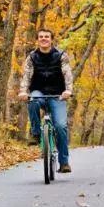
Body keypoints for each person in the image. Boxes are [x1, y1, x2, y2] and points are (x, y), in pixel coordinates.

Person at [18, 29, 74, 173]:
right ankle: (36, 133)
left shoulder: (61, 55)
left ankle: (64, 163)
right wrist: (23, 91)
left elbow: (67, 74)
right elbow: (26, 76)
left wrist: (68, 90)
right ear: (37, 39)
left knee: (61, 127)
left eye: (47, 37)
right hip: (39, 92)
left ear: (51, 39)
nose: (44, 39)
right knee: (33, 100)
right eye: (41, 37)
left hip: (58, 95)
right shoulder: (31, 57)